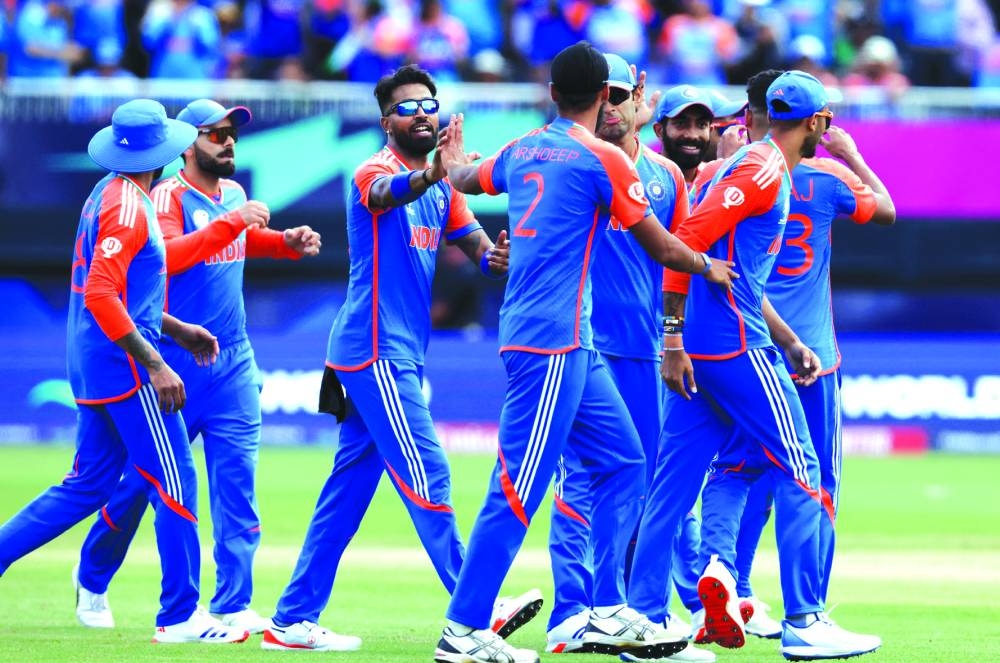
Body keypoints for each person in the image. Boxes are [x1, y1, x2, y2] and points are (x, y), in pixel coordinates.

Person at [434, 41, 737, 663]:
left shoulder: (523, 148)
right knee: (517, 488)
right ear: (605, 97)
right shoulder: (606, 160)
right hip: (552, 340)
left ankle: (605, 610)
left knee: (625, 464)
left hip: (573, 340)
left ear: (551, 94)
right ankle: (463, 630)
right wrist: (710, 265)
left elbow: (469, 178)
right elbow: (663, 247)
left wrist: (452, 160)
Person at [261, 64, 538, 652]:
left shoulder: (441, 188)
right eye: (409, 107)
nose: (422, 113)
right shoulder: (375, 172)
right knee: (428, 472)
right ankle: (476, 608)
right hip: (374, 350)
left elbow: (484, 255)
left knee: (348, 491)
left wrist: (502, 258)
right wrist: (437, 170)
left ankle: (290, 620)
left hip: (399, 353)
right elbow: (388, 194)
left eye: (429, 104)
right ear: (386, 120)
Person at [626, 70, 883, 661]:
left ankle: (643, 624)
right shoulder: (763, 171)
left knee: (671, 486)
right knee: (803, 471)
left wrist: (682, 335)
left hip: (709, 345)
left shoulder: (752, 167)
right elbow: (686, 237)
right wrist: (673, 337)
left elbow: (711, 255)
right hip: (737, 346)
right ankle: (804, 621)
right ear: (817, 122)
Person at [0, 99, 249, 644]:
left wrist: (176, 328)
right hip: (124, 369)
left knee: (86, 485)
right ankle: (180, 617)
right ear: (163, 148)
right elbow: (102, 293)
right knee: (176, 479)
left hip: (96, 362)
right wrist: (157, 361)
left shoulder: (106, 194)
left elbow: (121, 290)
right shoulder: (131, 207)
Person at [72, 98, 322, 634]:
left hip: (233, 358)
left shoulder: (231, 192)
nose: (229, 141)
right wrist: (232, 223)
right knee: (144, 485)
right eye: (215, 134)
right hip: (173, 362)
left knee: (237, 487)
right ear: (187, 144)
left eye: (232, 133)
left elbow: (239, 242)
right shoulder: (163, 196)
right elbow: (174, 255)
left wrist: (283, 243)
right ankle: (92, 575)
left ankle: (232, 603)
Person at [694, 68, 896, 643]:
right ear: (815, 122)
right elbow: (885, 210)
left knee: (735, 469)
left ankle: (725, 577)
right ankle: (808, 614)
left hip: (741, 344)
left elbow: (695, 235)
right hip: (810, 353)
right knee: (813, 478)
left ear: (752, 114)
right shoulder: (825, 177)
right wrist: (852, 153)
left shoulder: (726, 171)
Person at [543, 52, 714, 663]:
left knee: (642, 485)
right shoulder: (575, 166)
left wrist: (673, 340)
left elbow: (678, 266)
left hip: (645, 354)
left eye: (619, 92)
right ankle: (571, 614)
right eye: (601, 93)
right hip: (582, 348)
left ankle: (631, 616)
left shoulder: (667, 176)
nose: (610, 104)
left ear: (639, 95)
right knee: (581, 483)